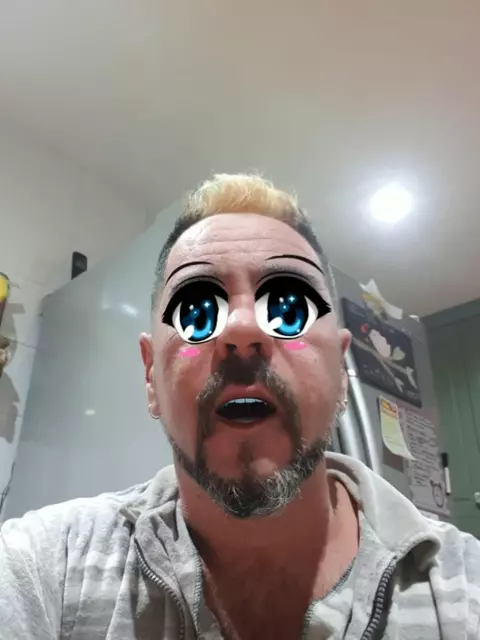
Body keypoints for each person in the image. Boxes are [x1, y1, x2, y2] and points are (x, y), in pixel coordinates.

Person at [0, 174, 479, 640]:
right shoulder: (45, 568)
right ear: (151, 376)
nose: (242, 330)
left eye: (288, 308)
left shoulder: (466, 590)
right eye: (197, 312)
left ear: (340, 373)